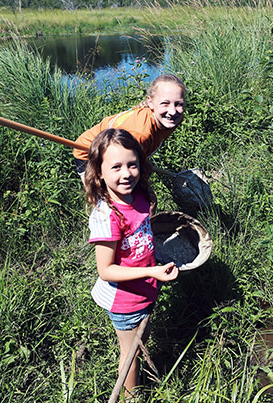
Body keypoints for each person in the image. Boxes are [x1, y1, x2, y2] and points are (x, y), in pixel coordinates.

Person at [84, 128, 179, 399]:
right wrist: (152, 271)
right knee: (130, 355)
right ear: (99, 172)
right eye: (116, 167)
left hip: (146, 288)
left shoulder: (137, 196)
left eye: (132, 164)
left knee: (140, 341)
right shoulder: (106, 215)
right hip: (124, 299)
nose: (126, 174)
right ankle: (131, 397)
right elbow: (105, 270)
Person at [73, 73, 187, 182]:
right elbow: (121, 165)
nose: (173, 111)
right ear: (150, 102)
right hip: (89, 152)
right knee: (102, 196)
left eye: (179, 104)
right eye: (165, 103)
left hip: (120, 152)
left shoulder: (173, 119)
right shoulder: (141, 133)